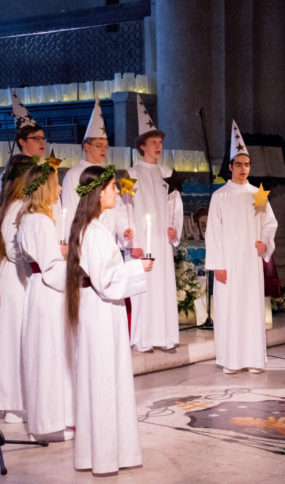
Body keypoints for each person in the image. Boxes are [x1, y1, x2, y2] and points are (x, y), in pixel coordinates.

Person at [66, 165, 153, 474]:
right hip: (101, 312)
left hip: (100, 310)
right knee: (103, 381)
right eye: (114, 187)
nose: (118, 192)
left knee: (104, 379)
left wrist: (131, 266)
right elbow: (106, 280)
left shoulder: (93, 227)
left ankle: (105, 454)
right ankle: (104, 458)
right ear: (100, 192)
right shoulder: (95, 232)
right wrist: (138, 268)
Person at [205, 120, 278, 374]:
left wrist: (264, 242)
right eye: (239, 164)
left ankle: (254, 358)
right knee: (229, 310)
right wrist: (218, 265)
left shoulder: (257, 194)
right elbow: (212, 234)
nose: (243, 169)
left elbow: (269, 224)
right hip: (229, 263)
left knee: (251, 308)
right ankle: (231, 359)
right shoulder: (220, 196)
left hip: (250, 262)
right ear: (230, 167)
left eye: (247, 164)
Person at [16, 160, 74, 441]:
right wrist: (76, 277)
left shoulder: (27, 219)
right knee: (51, 355)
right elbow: (51, 269)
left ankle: (45, 419)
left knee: (41, 355)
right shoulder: (40, 221)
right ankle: (53, 422)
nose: (60, 188)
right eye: (55, 184)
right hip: (49, 293)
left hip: (37, 291)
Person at [126, 94, 183, 352]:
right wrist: (130, 239)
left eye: (160, 142)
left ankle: (164, 335)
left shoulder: (168, 174)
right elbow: (125, 207)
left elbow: (175, 206)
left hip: (161, 240)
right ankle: (142, 338)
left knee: (161, 288)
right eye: (153, 142)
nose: (158, 146)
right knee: (144, 290)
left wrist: (174, 230)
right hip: (141, 243)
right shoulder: (131, 174)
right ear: (142, 146)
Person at [61, 98, 131, 245]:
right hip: (86, 241)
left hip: (107, 239)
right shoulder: (74, 175)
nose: (104, 150)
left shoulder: (107, 174)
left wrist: (124, 229)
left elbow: (117, 207)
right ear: (87, 146)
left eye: (106, 146)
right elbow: (71, 211)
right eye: (99, 145)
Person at [0, 155, 36, 423]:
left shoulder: (18, 206)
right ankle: (14, 404)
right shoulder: (16, 208)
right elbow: (15, 250)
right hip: (16, 280)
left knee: (20, 339)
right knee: (14, 340)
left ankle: (20, 402)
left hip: (18, 278)